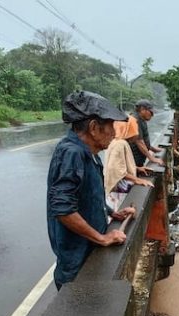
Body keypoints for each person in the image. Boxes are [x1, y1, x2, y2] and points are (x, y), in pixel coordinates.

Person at [47, 90, 135, 290]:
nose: (114, 132)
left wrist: (113, 213)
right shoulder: (72, 153)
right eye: (111, 126)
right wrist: (102, 238)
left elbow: (88, 195)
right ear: (94, 128)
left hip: (88, 247)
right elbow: (63, 209)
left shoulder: (90, 152)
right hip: (77, 256)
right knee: (80, 308)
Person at [104, 115, 154, 210]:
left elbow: (119, 165)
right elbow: (116, 169)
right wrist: (137, 180)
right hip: (119, 188)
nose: (136, 133)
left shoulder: (116, 141)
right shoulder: (120, 144)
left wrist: (137, 168)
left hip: (115, 186)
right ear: (128, 129)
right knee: (122, 209)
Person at [129, 99, 165, 168]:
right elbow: (139, 142)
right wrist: (152, 158)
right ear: (142, 109)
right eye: (150, 112)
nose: (152, 115)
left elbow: (143, 139)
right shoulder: (135, 120)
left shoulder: (141, 119)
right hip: (134, 160)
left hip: (138, 159)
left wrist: (153, 149)